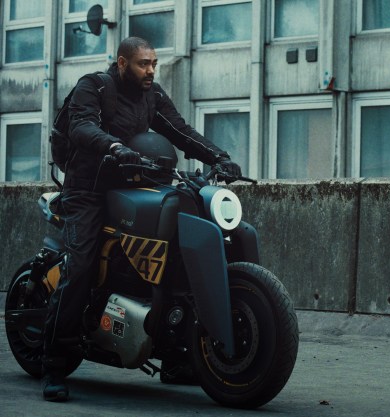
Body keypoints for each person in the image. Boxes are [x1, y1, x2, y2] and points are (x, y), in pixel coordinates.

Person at [41, 37, 242, 402]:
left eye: (153, 63)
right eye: (142, 64)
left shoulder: (152, 95)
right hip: (88, 189)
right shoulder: (94, 87)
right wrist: (116, 147)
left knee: (176, 256)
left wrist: (220, 156)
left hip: (134, 186)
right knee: (82, 265)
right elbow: (81, 128)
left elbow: (181, 132)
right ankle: (54, 363)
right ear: (122, 63)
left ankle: (178, 357)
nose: (150, 70)